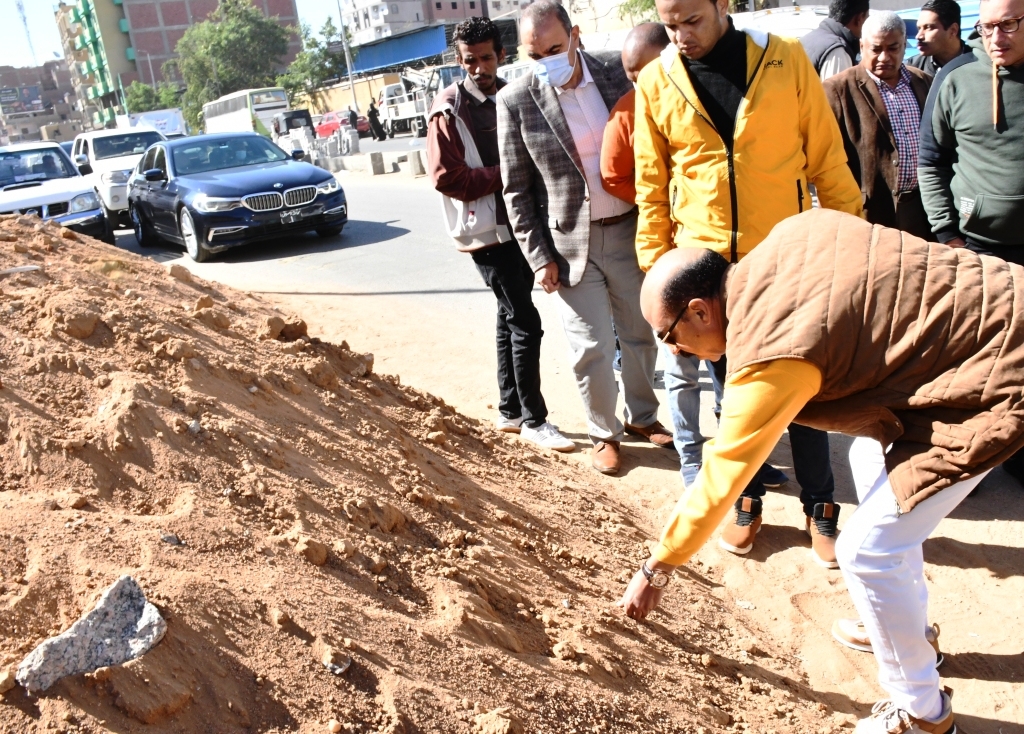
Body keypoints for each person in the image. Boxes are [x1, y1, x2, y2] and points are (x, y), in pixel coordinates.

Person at [620, 208, 1024, 733]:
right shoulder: (787, 237)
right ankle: (908, 631)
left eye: (669, 335)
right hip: (996, 309)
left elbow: (723, 475)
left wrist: (657, 566)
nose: (672, 350)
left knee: (866, 550)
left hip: (995, 374)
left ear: (700, 311)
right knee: (865, 456)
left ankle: (921, 712)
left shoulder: (770, 351)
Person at [634, 0, 863, 564]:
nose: (680, 35)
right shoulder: (658, 80)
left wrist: (853, 247)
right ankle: (748, 496)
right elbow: (651, 185)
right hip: (707, 276)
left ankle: (821, 506)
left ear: (723, 7)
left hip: (784, 265)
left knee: (805, 390)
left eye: (692, 21)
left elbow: (828, 161)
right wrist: (658, 271)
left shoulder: (784, 61)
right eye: (669, 25)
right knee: (731, 393)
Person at [498, 0, 669, 476]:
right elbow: (517, 190)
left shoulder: (619, 72)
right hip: (571, 245)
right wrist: (538, 258)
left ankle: (643, 417)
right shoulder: (516, 100)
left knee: (640, 333)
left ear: (574, 35)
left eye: (554, 48)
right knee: (590, 345)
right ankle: (603, 432)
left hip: (632, 230)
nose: (547, 61)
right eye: (535, 55)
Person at [427, 17, 574, 453]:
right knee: (525, 320)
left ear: (501, 55)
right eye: (469, 60)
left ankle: (510, 410)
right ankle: (535, 419)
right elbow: (446, 177)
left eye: (486, 58)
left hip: (521, 225)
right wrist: (510, 175)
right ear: (459, 60)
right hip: (488, 233)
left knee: (508, 317)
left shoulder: (512, 94)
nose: (478, 68)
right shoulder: (448, 108)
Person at [824, 11, 933, 239]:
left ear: (905, 45)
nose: (884, 57)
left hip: (921, 208)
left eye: (893, 48)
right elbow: (824, 157)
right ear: (862, 46)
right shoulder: (837, 90)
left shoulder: (924, 82)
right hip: (868, 212)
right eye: (876, 49)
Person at [801, 0, 872, 80]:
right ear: (859, 19)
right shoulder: (837, 51)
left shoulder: (806, 39)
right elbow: (835, 92)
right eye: (867, 18)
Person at [907, 0, 970, 76]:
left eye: (928, 27)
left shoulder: (982, 62)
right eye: (919, 28)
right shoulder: (912, 69)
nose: (918, 36)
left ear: (953, 30)